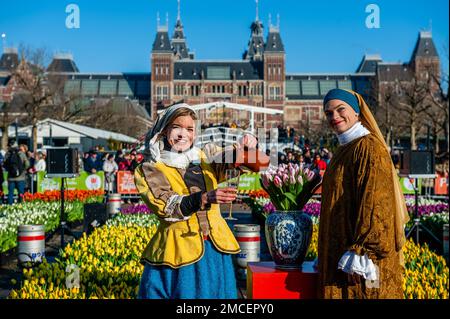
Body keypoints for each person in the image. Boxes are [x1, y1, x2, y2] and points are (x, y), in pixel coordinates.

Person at [134, 103, 269, 299]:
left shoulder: (205, 156)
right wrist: (205, 198)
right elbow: (167, 207)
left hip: (214, 250)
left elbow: (258, 163)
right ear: (164, 131)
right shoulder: (151, 167)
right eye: (177, 127)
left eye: (189, 129)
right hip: (178, 252)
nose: (183, 134)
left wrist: (247, 147)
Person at [317, 88, 409, 299]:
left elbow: (377, 203)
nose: (335, 117)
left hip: (360, 263)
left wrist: (363, 254)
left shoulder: (369, 148)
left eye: (341, 110)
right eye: (329, 113)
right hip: (341, 254)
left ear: (357, 112)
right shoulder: (343, 149)